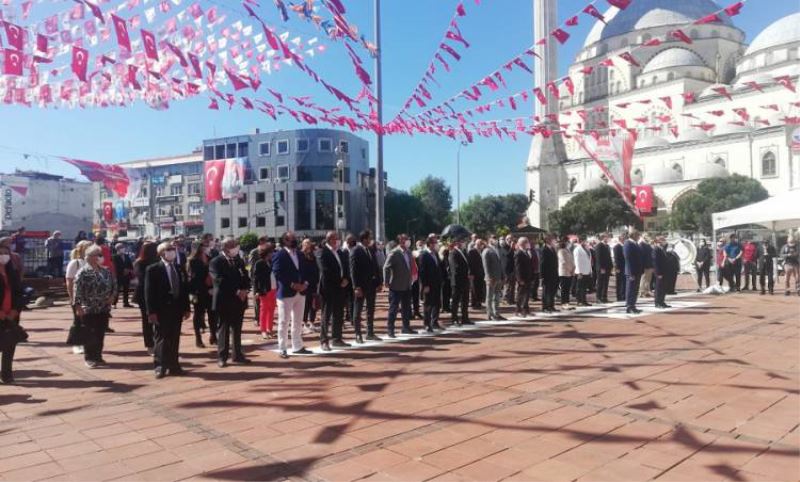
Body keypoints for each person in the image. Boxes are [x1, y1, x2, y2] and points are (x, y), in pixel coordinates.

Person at [145, 242, 191, 379]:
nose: (172, 251)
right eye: (168, 249)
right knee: (161, 338)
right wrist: (151, 312)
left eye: (173, 249)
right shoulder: (152, 269)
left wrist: (186, 308)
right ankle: (160, 366)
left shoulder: (178, 267)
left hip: (176, 308)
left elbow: (184, 289)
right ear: (161, 253)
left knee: (174, 338)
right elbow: (149, 293)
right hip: (161, 309)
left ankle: (174, 365)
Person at [73, 245, 116, 368]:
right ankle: (90, 357)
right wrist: (78, 306)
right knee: (90, 333)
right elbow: (78, 290)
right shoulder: (83, 272)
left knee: (100, 333)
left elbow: (114, 284)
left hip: (103, 307)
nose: (100, 257)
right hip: (89, 308)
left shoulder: (105, 271)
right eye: (97, 254)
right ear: (90, 257)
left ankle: (98, 356)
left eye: (100, 254)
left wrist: (112, 296)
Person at [209, 238, 251, 367]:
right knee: (224, 329)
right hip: (224, 300)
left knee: (237, 329)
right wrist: (237, 291)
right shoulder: (216, 262)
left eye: (236, 245)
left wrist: (245, 290)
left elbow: (245, 276)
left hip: (239, 300)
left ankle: (237, 354)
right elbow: (219, 280)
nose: (236, 248)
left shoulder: (238, 260)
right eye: (233, 246)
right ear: (224, 248)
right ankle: (222, 357)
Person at [273, 231, 311, 358]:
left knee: (298, 320)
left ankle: (297, 345)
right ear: (285, 241)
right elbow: (278, 273)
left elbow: (305, 270)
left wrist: (305, 283)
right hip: (286, 292)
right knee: (284, 321)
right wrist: (292, 284)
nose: (295, 240)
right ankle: (282, 348)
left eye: (295, 238)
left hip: (301, 292)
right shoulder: (280, 255)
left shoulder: (300, 254)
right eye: (291, 239)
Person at [317, 231, 351, 351]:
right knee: (326, 315)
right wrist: (339, 281)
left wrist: (346, 279)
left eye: (338, 239)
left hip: (341, 288)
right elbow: (326, 271)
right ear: (329, 239)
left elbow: (346, 267)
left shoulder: (340, 252)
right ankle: (324, 340)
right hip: (329, 289)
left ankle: (337, 338)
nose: (337, 241)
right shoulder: (322, 253)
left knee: (338, 314)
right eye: (335, 238)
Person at [350, 230, 382, 342]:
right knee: (358, 310)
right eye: (369, 238)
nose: (371, 240)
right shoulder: (355, 250)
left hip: (371, 285)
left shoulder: (371, 250)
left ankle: (370, 332)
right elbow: (353, 270)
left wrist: (378, 282)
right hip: (361, 286)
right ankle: (358, 334)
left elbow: (375, 267)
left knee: (370, 309)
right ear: (364, 239)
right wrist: (356, 286)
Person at [0, 245, 23, 384]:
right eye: (0, 252)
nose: (3, 255)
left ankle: (7, 374)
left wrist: (15, 309)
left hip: (12, 315)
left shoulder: (12, 271)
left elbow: (19, 292)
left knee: (10, 344)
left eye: (5, 253)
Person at [383, 234, 415, 336]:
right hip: (396, 285)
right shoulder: (394, 253)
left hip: (407, 284)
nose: (408, 241)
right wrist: (386, 281)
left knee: (406, 307)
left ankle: (406, 327)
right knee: (394, 308)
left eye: (408, 239)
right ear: (400, 240)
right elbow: (386, 267)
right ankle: (390, 329)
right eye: (406, 239)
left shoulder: (409, 252)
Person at [188, 240, 217, 348]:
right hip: (199, 292)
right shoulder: (192, 261)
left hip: (211, 291)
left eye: (205, 246)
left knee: (213, 314)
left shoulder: (210, 259)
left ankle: (213, 335)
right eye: (202, 246)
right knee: (198, 314)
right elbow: (193, 279)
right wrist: (204, 289)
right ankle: (198, 338)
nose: (205, 248)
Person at [65, 240, 92, 355]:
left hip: (91, 296)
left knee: (89, 321)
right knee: (78, 320)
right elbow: (69, 281)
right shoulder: (75, 263)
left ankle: (87, 342)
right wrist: (72, 297)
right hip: (78, 296)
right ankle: (77, 343)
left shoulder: (91, 262)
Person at [134, 242, 159, 354]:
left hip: (157, 294)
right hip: (144, 294)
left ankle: (157, 342)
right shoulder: (140, 263)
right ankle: (149, 344)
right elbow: (143, 279)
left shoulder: (158, 261)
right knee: (147, 319)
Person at [418, 235, 443, 332]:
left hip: (437, 283)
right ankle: (427, 323)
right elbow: (422, 271)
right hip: (429, 284)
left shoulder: (435, 254)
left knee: (437, 303)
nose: (436, 244)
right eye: (435, 243)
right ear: (430, 244)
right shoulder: (424, 255)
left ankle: (435, 321)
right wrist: (425, 285)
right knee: (428, 304)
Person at [253, 243, 277, 340]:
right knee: (264, 310)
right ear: (266, 253)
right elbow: (256, 278)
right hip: (264, 290)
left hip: (273, 288)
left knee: (271, 310)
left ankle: (269, 329)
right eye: (271, 252)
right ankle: (263, 330)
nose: (272, 253)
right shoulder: (259, 263)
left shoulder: (271, 262)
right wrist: (257, 291)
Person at [448, 237, 472, 326]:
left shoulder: (463, 252)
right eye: (462, 241)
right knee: (456, 300)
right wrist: (465, 274)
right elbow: (455, 268)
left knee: (465, 300)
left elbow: (466, 265)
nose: (463, 243)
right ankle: (454, 319)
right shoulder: (453, 253)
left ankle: (465, 318)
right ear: (456, 243)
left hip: (465, 280)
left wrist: (468, 273)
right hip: (457, 280)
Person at [248, 236, 270, 326]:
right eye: (265, 241)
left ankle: (266, 318)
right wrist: (254, 280)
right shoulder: (254, 252)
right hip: (256, 278)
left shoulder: (268, 251)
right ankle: (257, 318)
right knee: (257, 299)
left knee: (266, 298)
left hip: (266, 278)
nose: (267, 243)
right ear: (261, 242)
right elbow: (252, 267)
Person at [482, 236, 505, 321]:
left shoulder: (496, 250)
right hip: (491, 278)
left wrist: (502, 275)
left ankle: (496, 313)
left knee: (497, 296)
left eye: (496, 238)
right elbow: (486, 266)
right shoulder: (487, 250)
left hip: (498, 277)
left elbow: (500, 264)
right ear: (489, 240)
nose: (495, 240)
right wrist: (488, 277)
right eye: (493, 238)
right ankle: (490, 314)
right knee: (489, 297)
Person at [301, 239, 320, 333]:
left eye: (309, 243)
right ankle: (304, 323)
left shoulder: (313, 255)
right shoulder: (301, 255)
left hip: (313, 283)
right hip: (305, 283)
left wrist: (317, 281)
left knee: (313, 304)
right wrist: (304, 281)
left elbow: (316, 268)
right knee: (306, 304)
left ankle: (312, 322)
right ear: (303, 244)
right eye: (306, 243)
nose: (309, 244)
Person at [624, 231, 644, 314]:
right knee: (630, 289)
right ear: (633, 235)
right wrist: (631, 272)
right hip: (632, 271)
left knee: (635, 289)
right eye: (637, 235)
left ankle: (633, 305)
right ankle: (629, 307)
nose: (639, 237)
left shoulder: (635, 243)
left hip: (637, 271)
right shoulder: (628, 243)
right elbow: (628, 259)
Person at [514, 237, 533, 317]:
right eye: (527, 242)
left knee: (527, 294)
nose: (528, 244)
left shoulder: (526, 252)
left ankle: (526, 309)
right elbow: (517, 267)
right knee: (521, 294)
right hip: (522, 277)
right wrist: (519, 279)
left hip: (528, 276)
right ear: (522, 243)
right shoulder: (518, 253)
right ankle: (518, 310)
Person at [540, 235, 560, 313]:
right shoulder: (544, 249)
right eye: (553, 239)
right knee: (546, 291)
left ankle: (551, 306)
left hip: (554, 273)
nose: (554, 241)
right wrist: (542, 276)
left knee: (552, 291)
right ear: (548, 240)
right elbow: (542, 263)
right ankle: (545, 307)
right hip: (547, 274)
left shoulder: (552, 249)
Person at [112, 243, 134, 308]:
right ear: (117, 249)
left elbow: (130, 265)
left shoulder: (126, 256)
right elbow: (115, 266)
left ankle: (126, 303)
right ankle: (114, 303)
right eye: (121, 248)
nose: (123, 249)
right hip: (119, 275)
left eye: (123, 247)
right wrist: (122, 270)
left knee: (126, 289)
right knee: (117, 290)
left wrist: (128, 270)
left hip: (127, 276)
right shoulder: (114, 257)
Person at [573, 237, 592, 307]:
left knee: (584, 287)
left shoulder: (586, 248)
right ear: (580, 241)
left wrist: (590, 270)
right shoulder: (577, 249)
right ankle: (579, 301)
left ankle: (584, 300)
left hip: (586, 270)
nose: (586, 242)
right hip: (580, 271)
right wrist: (579, 272)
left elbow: (589, 260)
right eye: (584, 240)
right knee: (579, 287)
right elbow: (577, 261)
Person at [652, 236, 671, 309]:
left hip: (664, 272)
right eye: (662, 240)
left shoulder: (662, 249)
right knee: (658, 288)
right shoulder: (656, 249)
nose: (664, 241)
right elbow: (655, 262)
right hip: (659, 272)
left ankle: (662, 301)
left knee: (663, 287)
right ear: (659, 241)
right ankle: (657, 303)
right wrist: (658, 273)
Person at [557, 239, 575, 309]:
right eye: (566, 242)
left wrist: (573, 267)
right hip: (564, 272)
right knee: (564, 288)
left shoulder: (568, 250)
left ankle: (567, 302)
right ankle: (563, 302)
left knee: (568, 288)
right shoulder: (561, 251)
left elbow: (571, 260)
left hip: (570, 272)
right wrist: (570, 269)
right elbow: (563, 262)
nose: (568, 243)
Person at [468, 240, 485, 310]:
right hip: (474, 273)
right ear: (476, 244)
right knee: (474, 288)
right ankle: (474, 303)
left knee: (479, 288)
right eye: (479, 244)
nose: (480, 246)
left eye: (481, 244)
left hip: (480, 273)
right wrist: (470, 273)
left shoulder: (481, 251)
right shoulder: (472, 251)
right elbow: (470, 263)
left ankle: (479, 302)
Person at [594, 234, 612, 303]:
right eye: (607, 237)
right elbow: (598, 258)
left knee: (606, 283)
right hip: (601, 268)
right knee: (600, 283)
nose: (608, 239)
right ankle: (598, 298)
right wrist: (601, 268)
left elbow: (609, 257)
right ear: (603, 238)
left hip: (607, 268)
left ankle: (604, 297)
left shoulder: (607, 246)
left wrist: (611, 266)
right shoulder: (599, 246)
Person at [613, 234, 627, 302]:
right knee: (619, 282)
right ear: (620, 239)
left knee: (624, 282)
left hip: (624, 266)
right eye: (623, 238)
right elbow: (616, 258)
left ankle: (623, 295)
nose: (624, 239)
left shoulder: (624, 246)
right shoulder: (617, 247)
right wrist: (617, 268)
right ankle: (619, 296)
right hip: (619, 267)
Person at [503, 235, 516, 305]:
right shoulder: (504, 247)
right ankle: (506, 299)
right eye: (509, 239)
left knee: (513, 285)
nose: (510, 240)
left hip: (513, 268)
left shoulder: (513, 248)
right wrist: (511, 248)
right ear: (506, 240)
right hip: (507, 269)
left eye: (511, 239)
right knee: (507, 285)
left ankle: (512, 299)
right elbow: (507, 255)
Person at [439, 245, 451, 313]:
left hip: (447, 278)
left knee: (448, 293)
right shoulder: (441, 258)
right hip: (443, 278)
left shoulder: (447, 258)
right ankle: (443, 307)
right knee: (443, 293)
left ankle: (447, 306)